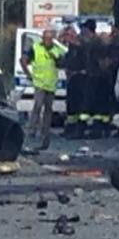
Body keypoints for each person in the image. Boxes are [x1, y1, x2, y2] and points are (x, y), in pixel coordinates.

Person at [24, 25, 68, 153]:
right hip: (39, 83)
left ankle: (45, 132)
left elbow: (62, 63)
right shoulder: (35, 48)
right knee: (37, 106)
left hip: (51, 84)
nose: (48, 41)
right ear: (42, 38)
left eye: (50, 39)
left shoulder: (56, 49)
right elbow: (24, 60)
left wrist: (56, 57)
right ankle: (32, 131)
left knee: (48, 110)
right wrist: (28, 74)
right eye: (46, 38)